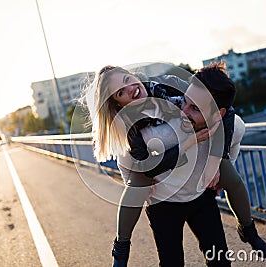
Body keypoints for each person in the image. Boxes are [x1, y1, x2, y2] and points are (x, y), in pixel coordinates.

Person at [88, 64, 230, 266]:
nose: (130, 89)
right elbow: (147, 168)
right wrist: (189, 142)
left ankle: (247, 228)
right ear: (119, 104)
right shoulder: (127, 126)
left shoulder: (168, 87)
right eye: (120, 92)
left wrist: (216, 161)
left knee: (220, 260)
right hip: (162, 201)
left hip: (197, 191)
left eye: (127, 80)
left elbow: (225, 110)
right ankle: (121, 248)